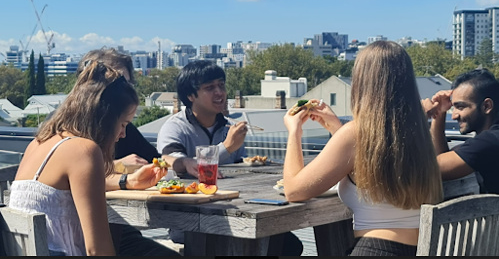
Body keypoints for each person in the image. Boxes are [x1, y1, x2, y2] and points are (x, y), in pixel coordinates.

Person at [282, 41, 443, 256]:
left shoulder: (354, 133)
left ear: (362, 82)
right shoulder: (419, 133)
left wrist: (294, 132)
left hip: (375, 250)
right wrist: (335, 127)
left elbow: (294, 190)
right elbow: (372, 158)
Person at [156, 60, 303, 256]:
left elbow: (239, 169)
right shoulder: (175, 127)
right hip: (191, 220)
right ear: (191, 96)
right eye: (210, 87)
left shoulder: (228, 126)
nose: (220, 92)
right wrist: (227, 147)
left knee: (288, 245)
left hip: (237, 210)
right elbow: (176, 162)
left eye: (221, 85)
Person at [9, 61, 140, 256]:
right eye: (123, 124)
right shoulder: (84, 150)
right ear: (105, 118)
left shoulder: (38, 142)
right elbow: (97, 248)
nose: (123, 134)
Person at [75, 48, 181, 256]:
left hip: (120, 230)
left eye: (125, 83)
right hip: (78, 236)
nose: (120, 92)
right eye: (114, 82)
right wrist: (120, 169)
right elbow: (75, 178)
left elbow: (158, 162)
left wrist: (180, 162)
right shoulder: (69, 135)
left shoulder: (123, 128)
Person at [421, 68, 499, 194]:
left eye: (461, 107)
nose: (454, 116)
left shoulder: (489, 142)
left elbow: (428, 171)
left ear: (487, 106)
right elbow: (442, 159)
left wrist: (419, 117)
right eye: (453, 108)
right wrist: (440, 113)